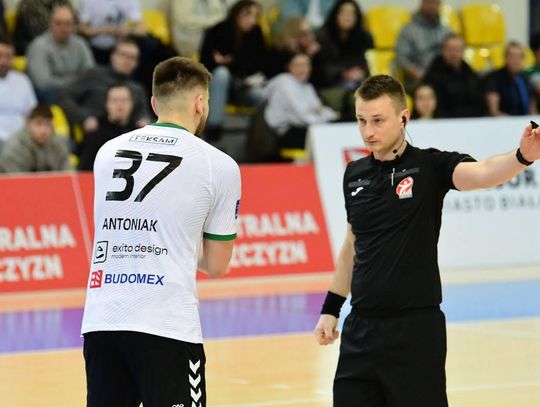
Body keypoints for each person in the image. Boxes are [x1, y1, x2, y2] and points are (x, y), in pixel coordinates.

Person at [313, 74, 540, 406]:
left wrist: (522, 156)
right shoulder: (354, 174)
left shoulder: (430, 166)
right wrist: (331, 309)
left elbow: (483, 173)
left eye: (378, 120)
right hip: (361, 331)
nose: (368, 131)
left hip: (415, 331)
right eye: (361, 120)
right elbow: (352, 246)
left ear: (403, 117)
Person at [80, 56, 241, 407]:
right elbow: (217, 264)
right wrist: (178, 242)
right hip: (166, 323)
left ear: (154, 103)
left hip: (102, 319)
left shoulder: (107, 153)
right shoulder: (219, 165)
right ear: (200, 103)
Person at [199, 0, 268, 141]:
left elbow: (261, 64)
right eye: (248, 15)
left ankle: (258, 140)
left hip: (245, 87)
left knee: (263, 95)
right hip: (217, 86)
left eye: (255, 16)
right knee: (222, 73)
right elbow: (204, 63)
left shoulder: (256, 33)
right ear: (237, 14)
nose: (252, 20)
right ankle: (213, 129)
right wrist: (220, 62)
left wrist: (232, 62)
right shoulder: (218, 30)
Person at [57, 36, 151, 133]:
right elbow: (64, 97)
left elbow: (144, 114)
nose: (127, 61)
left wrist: (144, 121)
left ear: (137, 63)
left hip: (125, 135)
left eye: (132, 58)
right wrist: (84, 118)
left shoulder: (138, 89)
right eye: (123, 55)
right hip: (94, 132)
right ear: (113, 56)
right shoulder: (94, 75)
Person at [264, 52, 338, 149]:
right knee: (331, 138)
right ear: (289, 67)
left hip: (309, 127)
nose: (303, 69)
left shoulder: (307, 86)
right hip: (288, 133)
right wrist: (326, 120)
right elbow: (302, 117)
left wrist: (332, 116)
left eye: (306, 65)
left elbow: (318, 108)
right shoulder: (285, 83)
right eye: (298, 65)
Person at [26, 3, 95, 103]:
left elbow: (90, 72)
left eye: (68, 24)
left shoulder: (80, 44)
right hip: (50, 93)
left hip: (77, 90)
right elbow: (43, 83)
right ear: (50, 24)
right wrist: (77, 81)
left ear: (74, 26)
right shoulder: (38, 46)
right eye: (58, 23)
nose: (63, 28)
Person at [77, 82, 137, 171]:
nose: (119, 105)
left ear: (131, 104)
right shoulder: (95, 136)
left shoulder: (138, 133)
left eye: (124, 100)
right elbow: (85, 171)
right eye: (114, 100)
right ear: (107, 104)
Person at [395, 0, 452, 92]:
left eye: (434, 3)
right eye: (428, 2)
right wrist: (421, 76)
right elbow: (402, 59)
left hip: (443, 78)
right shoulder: (408, 31)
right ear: (422, 3)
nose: (431, 6)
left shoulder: (446, 31)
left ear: (439, 4)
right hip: (418, 80)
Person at [423, 33, 485, 118]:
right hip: (443, 120)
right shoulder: (434, 73)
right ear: (443, 51)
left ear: (463, 51)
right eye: (450, 49)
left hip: (471, 119)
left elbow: (478, 101)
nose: (454, 53)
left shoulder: (468, 71)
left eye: (457, 49)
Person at [0, 104, 72, 173]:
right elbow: (15, 178)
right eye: (38, 124)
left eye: (47, 124)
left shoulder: (58, 146)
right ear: (28, 124)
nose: (43, 131)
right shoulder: (14, 147)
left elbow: (69, 174)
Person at [0, 34, 37, 147]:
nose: (3, 61)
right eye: (0, 56)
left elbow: (32, 113)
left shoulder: (22, 80)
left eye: (8, 56)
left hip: (23, 139)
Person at [485, 41, 538, 116]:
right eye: (512, 56)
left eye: (519, 56)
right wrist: (512, 121)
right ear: (505, 58)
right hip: (503, 121)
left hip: (524, 120)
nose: (515, 60)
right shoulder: (494, 78)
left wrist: (534, 120)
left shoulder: (526, 78)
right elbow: (494, 111)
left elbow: (532, 108)